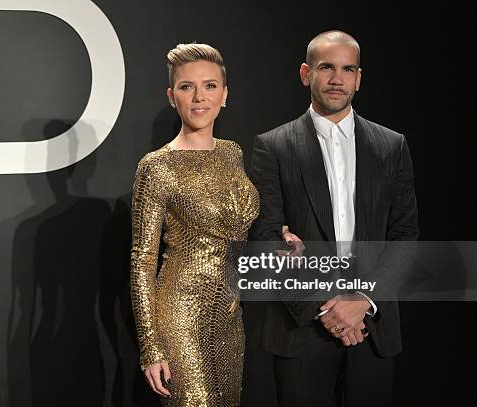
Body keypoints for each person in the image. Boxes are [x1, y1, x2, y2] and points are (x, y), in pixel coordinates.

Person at [250, 30, 419, 406]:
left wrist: (363, 298)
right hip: (300, 328)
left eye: (348, 69)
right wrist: (328, 304)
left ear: (359, 77)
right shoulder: (272, 147)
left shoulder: (393, 146)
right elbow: (267, 237)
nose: (337, 78)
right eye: (326, 67)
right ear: (305, 73)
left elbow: (405, 234)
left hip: (373, 327)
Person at [129, 43, 260, 406]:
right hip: (180, 316)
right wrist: (151, 347)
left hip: (232, 317)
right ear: (172, 97)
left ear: (224, 94)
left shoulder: (233, 153)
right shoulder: (157, 167)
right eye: (187, 87)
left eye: (210, 86)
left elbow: (239, 229)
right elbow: (142, 262)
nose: (199, 97)